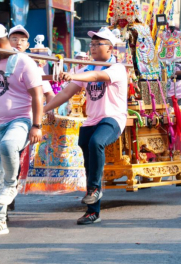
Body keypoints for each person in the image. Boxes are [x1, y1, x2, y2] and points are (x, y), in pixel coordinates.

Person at [43, 27, 127, 225]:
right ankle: (92, 212)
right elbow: (65, 94)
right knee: (89, 162)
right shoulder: (86, 68)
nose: (94, 47)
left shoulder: (117, 68)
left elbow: (98, 78)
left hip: (112, 119)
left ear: (111, 48)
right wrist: (42, 109)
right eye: (92, 44)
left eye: (99, 43)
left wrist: (72, 76)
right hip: (91, 120)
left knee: (96, 142)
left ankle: (95, 189)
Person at [0, 24, 43, 237]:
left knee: (9, 145)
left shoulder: (24, 62)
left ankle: (12, 185)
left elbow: (38, 95)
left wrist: (37, 125)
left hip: (20, 121)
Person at [8, 25, 55, 103]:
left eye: (22, 40)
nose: (18, 43)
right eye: (14, 39)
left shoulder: (33, 65)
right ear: (7, 42)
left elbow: (49, 94)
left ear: (27, 45)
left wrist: (48, 110)